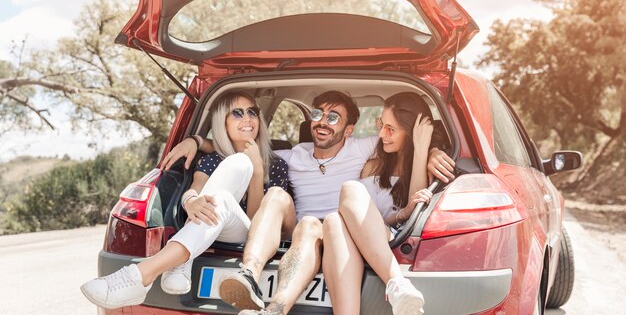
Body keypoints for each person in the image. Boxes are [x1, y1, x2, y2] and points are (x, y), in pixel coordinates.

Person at [160, 90, 455, 315]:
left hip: (344, 232)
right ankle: (250, 275)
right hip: (301, 233)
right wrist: (197, 142)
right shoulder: (293, 154)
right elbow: (243, 148)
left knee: (330, 217)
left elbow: (404, 140)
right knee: (285, 201)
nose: (322, 122)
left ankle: (276, 306)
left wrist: (432, 152)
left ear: (349, 129)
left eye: (333, 117)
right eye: (317, 114)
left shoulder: (364, 146)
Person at [80, 91, 289, 310]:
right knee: (229, 184)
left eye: (252, 112)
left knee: (241, 165)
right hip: (215, 225)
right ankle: (181, 259)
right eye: (237, 113)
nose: (247, 118)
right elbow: (193, 191)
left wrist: (257, 171)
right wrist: (191, 202)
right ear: (222, 123)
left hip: (252, 237)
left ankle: (141, 275)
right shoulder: (212, 160)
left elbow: (259, 222)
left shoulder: (277, 165)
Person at [322, 92, 434, 315]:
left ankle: (396, 283)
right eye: (381, 124)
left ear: (412, 132)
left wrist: (423, 150)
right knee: (334, 218)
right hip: (372, 238)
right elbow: (368, 219)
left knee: (349, 190)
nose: (382, 134)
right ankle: (396, 285)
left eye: (391, 129)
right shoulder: (373, 166)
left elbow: (414, 209)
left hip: (397, 240)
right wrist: (400, 215)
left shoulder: (431, 165)